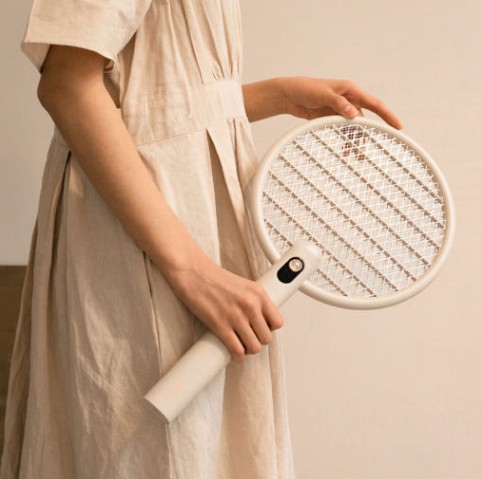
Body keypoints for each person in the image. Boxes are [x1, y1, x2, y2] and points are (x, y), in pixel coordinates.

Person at [1, 0, 402, 477]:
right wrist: (193, 271)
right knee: (151, 453)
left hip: (183, 236)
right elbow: (68, 85)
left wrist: (274, 95)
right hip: (151, 247)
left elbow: (153, 100)